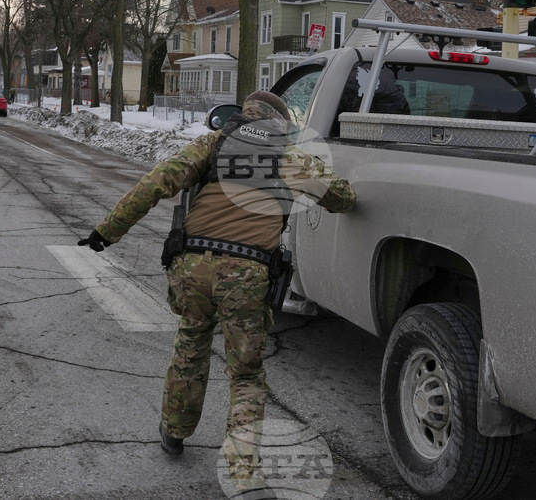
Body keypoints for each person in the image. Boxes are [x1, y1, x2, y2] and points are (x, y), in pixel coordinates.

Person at [77, 90, 356, 488]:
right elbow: (342, 197)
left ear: (245, 114)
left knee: (190, 346)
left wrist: (107, 232)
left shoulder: (214, 142)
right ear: (279, 123)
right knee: (246, 373)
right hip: (247, 275)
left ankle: (174, 433)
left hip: (192, 268)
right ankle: (241, 472)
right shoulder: (290, 157)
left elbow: (156, 182)